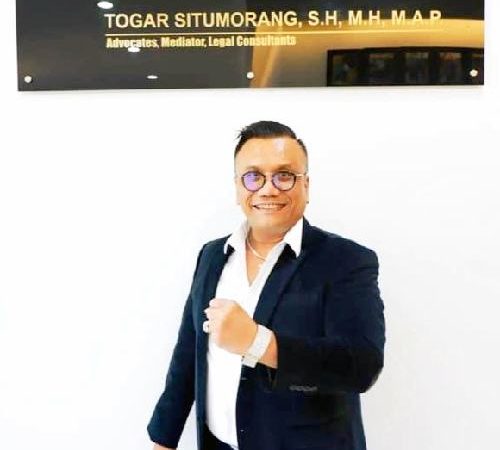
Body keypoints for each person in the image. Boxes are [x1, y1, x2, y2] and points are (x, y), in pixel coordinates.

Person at [147, 120, 385, 450]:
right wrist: (164, 439)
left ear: (306, 185)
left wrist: (259, 343)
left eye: (284, 175)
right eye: (253, 176)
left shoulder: (346, 261)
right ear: (237, 187)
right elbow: (189, 352)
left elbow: (361, 365)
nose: (268, 189)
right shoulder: (212, 255)